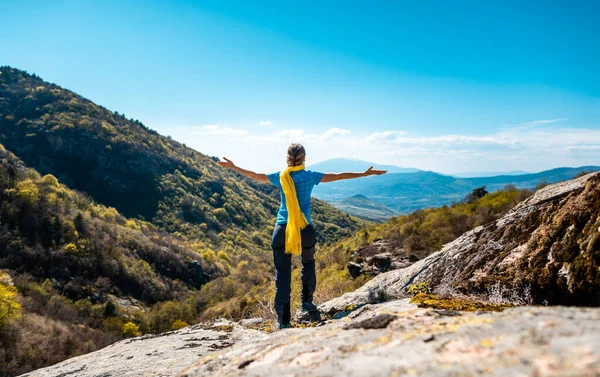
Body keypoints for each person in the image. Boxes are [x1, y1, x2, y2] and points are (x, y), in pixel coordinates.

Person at [218, 143, 386, 328]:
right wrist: (364, 173)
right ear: (304, 158)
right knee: (308, 264)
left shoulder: (280, 176)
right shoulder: (310, 176)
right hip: (305, 229)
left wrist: (233, 167)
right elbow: (339, 176)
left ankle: (283, 322)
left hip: (282, 229)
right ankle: (307, 303)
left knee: (282, 275)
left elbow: (255, 176)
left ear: (287, 158)